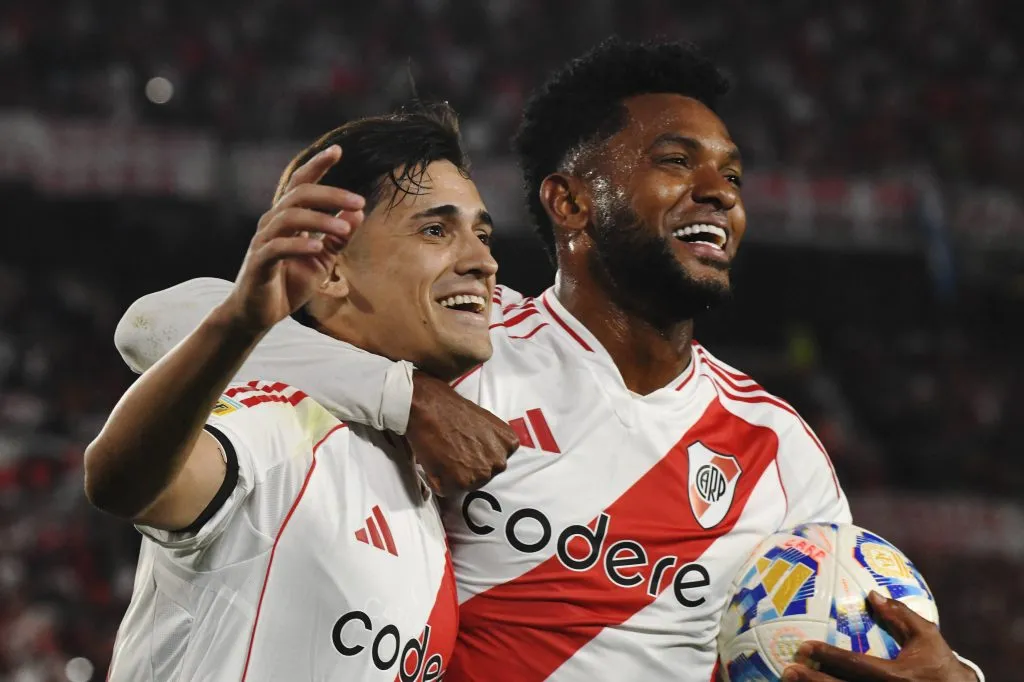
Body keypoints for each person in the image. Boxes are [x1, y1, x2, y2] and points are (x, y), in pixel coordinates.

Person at [114, 39, 983, 682]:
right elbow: (160, 321)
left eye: (732, 175)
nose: (717, 190)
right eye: (675, 162)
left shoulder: (777, 450)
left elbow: (853, 635)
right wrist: (404, 395)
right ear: (569, 201)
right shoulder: (470, 343)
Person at [85, 104, 517, 681]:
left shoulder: (414, 475)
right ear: (332, 269)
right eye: (436, 230)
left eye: (483, 234)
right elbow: (124, 481)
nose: (483, 260)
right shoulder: (283, 421)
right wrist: (241, 321)